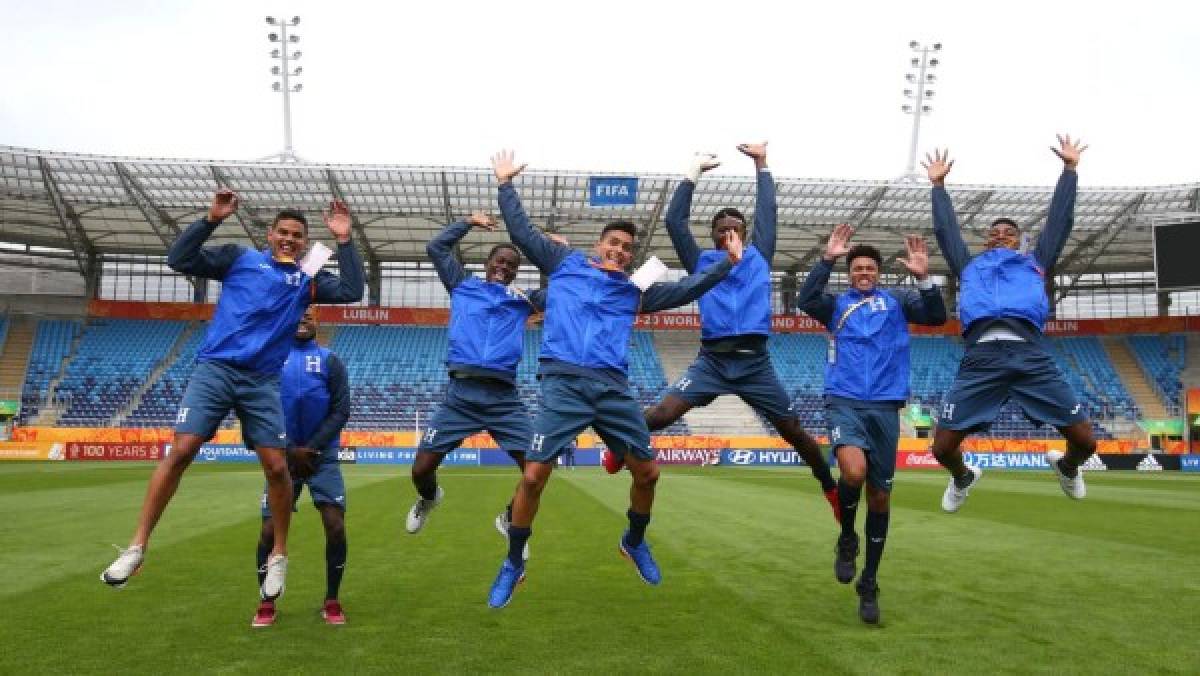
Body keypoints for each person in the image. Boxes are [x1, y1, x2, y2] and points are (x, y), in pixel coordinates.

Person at [486, 149, 743, 609]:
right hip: (563, 384)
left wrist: (727, 263)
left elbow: (689, 288)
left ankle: (634, 541)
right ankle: (513, 561)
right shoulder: (565, 263)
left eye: (627, 248)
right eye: (614, 244)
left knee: (649, 472)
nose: (620, 251)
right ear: (600, 243)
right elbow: (522, 233)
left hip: (612, 388)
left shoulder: (633, 291)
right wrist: (505, 186)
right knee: (533, 476)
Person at [102, 190, 364, 602]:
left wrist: (345, 240)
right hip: (217, 369)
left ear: (304, 241)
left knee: (278, 468)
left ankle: (279, 554)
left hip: (261, 380)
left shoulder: (306, 281)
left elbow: (351, 289)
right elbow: (179, 260)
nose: (290, 239)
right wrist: (211, 218)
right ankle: (136, 547)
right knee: (183, 449)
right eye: (283, 232)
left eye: (298, 235)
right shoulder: (240, 259)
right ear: (270, 233)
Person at [621, 143, 839, 517]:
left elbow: (768, 212)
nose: (728, 233)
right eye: (721, 229)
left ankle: (830, 489)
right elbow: (675, 222)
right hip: (713, 362)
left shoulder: (759, 255)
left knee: (796, 434)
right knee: (657, 416)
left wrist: (762, 164)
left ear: (743, 231)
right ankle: (618, 447)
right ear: (714, 236)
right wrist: (692, 174)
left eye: (734, 228)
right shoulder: (701, 261)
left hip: (756, 364)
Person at [923, 135, 1095, 512]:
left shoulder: (1035, 262)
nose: (1000, 236)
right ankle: (963, 476)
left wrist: (1069, 171)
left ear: (1019, 242)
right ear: (986, 243)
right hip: (981, 359)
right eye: (994, 234)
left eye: (1009, 234)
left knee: (1085, 442)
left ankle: (1066, 468)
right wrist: (938, 187)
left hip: (1030, 356)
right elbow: (946, 232)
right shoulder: (969, 267)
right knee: (942, 448)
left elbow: (1060, 222)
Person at [798, 224, 947, 624]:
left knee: (879, 499)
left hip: (885, 407)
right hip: (844, 400)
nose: (864, 272)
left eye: (870, 268)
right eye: (857, 267)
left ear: (879, 272)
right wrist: (827, 258)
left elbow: (936, 316)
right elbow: (805, 298)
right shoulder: (835, 305)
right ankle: (848, 536)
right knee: (853, 471)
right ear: (850, 272)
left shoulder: (898, 301)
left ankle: (870, 582)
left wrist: (924, 278)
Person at [405, 211, 546, 564]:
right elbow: (436, 247)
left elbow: (565, 288)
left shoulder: (522, 300)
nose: (505, 267)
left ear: (517, 271)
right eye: (500, 260)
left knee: (537, 469)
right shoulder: (463, 286)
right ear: (488, 263)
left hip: (504, 400)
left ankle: (510, 519)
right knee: (421, 469)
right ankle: (429, 498)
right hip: (461, 397)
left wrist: (551, 248)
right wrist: (468, 223)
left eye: (512, 264)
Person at [252, 307, 351, 627]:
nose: (302, 319)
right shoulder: (269, 359)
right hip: (282, 457)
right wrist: (288, 449)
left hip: (321, 456)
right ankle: (266, 601)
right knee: (269, 530)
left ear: (316, 320)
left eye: (308, 314)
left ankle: (332, 600)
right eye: (296, 314)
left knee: (335, 524)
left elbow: (340, 410)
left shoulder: (330, 360)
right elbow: (257, 405)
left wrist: (312, 447)